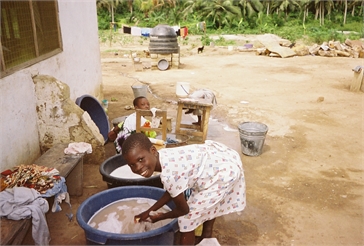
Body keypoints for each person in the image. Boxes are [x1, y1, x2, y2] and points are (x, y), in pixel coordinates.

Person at [121, 133, 246, 245]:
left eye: (141, 159)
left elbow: (183, 210)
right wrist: (149, 211)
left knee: (187, 220)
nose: (138, 167)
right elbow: (173, 191)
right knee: (206, 203)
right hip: (214, 162)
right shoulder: (162, 155)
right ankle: (206, 237)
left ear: (153, 150)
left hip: (222, 173)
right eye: (132, 164)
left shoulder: (169, 175)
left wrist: (159, 217)